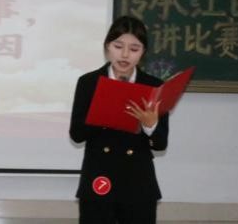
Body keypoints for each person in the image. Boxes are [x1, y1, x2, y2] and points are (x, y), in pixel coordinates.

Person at [69, 15, 169, 224]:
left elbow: (160, 144)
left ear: (143, 52)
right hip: (99, 178)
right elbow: (76, 135)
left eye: (134, 49)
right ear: (107, 46)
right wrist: (104, 112)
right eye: (118, 46)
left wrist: (150, 125)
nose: (125, 55)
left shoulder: (154, 87)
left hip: (138, 183)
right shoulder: (89, 82)